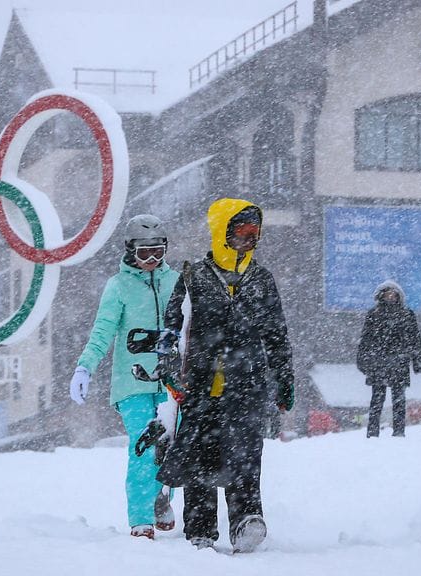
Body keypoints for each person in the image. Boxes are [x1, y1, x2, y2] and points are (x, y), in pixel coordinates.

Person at [156, 198, 295, 553]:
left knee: (245, 455)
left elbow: (277, 336)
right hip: (200, 385)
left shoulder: (262, 280)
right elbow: (171, 329)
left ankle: (246, 521)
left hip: (247, 386)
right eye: (242, 232)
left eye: (256, 233)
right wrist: (169, 366)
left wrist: (284, 379)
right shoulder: (194, 278)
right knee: (200, 455)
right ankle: (200, 529)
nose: (250, 239)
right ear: (222, 232)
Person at [70, 214, 180, 540]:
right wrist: (85, 366)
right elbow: (103, 331)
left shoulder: (176, 282)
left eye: (158, 252)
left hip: (171, 380)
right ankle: (141, 518)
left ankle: (162, 498)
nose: (151, 260)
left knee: (169, 446)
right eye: (145, 253)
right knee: (144, 446)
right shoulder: (118, 286)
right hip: (131, 383)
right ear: (130, 251)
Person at [356, 280, 421, 438]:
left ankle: (399, 432)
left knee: (399, 401)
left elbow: (415, 339)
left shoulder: (407, 315)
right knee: (377, 401)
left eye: (393, 294)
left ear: (398, 296)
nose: (390, 297)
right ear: (381, 296)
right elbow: (365, 339)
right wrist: (363, 361)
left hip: (399, 363)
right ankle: (372, 433)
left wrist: (418, 361)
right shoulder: (374, 314)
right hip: (378, 363)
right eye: (387, 294)